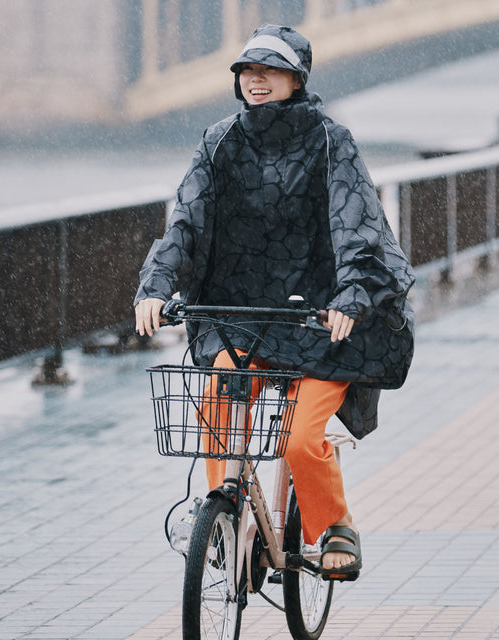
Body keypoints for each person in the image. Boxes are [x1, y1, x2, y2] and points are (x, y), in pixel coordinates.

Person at [135, 24, 415, 580]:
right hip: (246, 318)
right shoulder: (220, 141)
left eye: (270, 69)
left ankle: (334, 524)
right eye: (246, 70)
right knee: (216, 403)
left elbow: (355, 223)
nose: (255, 79)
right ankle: (223, 514)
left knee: (300, 438)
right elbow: (187, 219)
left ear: (297, 79)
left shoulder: (331, 140)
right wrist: (156, 284)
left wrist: (351, 294)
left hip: (321, 321)